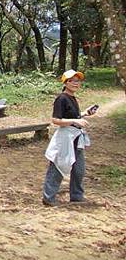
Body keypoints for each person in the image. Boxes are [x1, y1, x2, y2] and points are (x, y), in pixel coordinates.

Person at [42, 69, 98, 206]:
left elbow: (72, 116)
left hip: (76, 138)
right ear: (65, 83)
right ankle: (48, 198)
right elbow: (55, 120)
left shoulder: (72, 98)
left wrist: (84, 114)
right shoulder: (61, 98)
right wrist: (75, 121)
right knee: (58, 165)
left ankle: (77, 196)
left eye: (77, 81)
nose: (75, 83)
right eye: (72, 81)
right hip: (65, 138)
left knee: (79, 169)